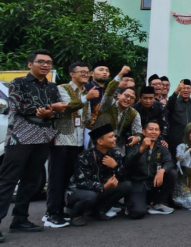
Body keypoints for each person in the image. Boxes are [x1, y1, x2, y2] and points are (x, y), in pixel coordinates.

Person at [0, 50, 68, 238]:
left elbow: (61, 111)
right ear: (30, 64)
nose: (45, 65)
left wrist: (51, 112)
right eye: (41, 62)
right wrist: (49, 109)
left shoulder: (52, 87)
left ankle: (20, 219)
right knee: (7, 181)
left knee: (30, 182)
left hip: (43, 138)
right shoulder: (18, 83)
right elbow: (17, 106)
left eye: (49, 62)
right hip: (20, 138)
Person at [45, 62, 99, 227]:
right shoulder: (62, 89)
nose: (85, 74)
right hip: (62, 140)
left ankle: (63, 211)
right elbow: (65, 108)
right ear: (72, 74)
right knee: (56, 179)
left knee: (70, 178)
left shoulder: (86, 92)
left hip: (77, 141)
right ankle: (51, 214)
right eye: (82, 72)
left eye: (87, 72)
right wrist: (86, 99)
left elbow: (87, 119)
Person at [65, 124, 131, 226]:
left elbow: (125, 176)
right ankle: (75, 214)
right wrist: (103, 186)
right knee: (91, 196)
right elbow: (81, 182)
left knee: (126, 185)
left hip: (102, 190)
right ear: (100, 141)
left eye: (114, 136)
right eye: (111, 137)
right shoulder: (84, 156)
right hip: (79, 191)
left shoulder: (115, 154)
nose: (114, 139)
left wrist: (115, 166)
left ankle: (99, 211)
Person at [125, 121, 176, 218]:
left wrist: (162, 170)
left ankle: (157, 203)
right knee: (137, 213)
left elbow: (169, 162)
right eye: (151, 129)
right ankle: (131, 204)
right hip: (138, 183)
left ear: (159, 133)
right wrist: (141, 149)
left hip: (153, 183)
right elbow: (128, 163)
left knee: (172, 173)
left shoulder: (161, 147)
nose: (154, 132)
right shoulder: (135, 146)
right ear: (144, 132)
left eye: (156, 130)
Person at [93, 66, 141, 155]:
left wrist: (137, 138)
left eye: (132, 98)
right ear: (119, 95)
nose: (128, 99)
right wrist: (121, 74)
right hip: (97, 142)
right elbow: (109, 91)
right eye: (126, 95)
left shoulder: (134, 113)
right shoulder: (107, 104)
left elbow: (138, 132)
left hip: (116, 144)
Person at [167, 79, 191, 158]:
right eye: (183, 88)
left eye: (188, 88)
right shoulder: (174, 102)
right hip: (176, 140)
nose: (186, 90)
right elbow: (168, 107)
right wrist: (176, 92)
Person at [84, 61, 110, 148]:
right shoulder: (85, 88)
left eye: (107, 70)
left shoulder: (108, 91)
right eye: (101, 70)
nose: (105, 72)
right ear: (92, 73)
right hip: (86, 128)